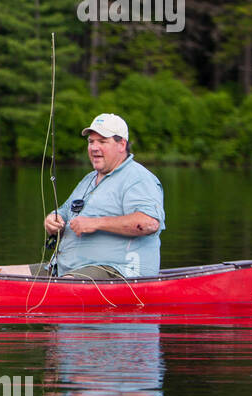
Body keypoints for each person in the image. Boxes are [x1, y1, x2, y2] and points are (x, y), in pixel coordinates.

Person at [35, 113, 165, 279]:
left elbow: (149, 223)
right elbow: (65, 212)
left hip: (118, 271)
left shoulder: (138, 178)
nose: (94, 147)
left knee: (63, 284)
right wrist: (54, 220)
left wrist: (97, 223)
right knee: (2, 273)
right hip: (64, 269)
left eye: (102, 141)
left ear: (122, 144)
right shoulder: (88, 179)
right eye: (91, 142)